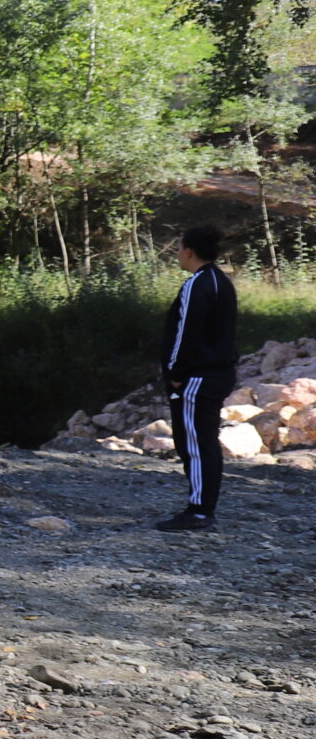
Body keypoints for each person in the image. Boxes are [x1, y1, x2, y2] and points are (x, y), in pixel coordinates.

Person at [159, 225, 240, 532]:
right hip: (216, 374)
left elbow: (186, 331)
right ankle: (203, 507)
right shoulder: (221, 281)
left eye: (179, 248)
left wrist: (177, 373)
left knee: (194, 443)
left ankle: (200, 511)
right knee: (204, 441)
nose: (177, 254)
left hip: (198, 377)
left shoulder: (198, 284)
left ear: (189, 251)